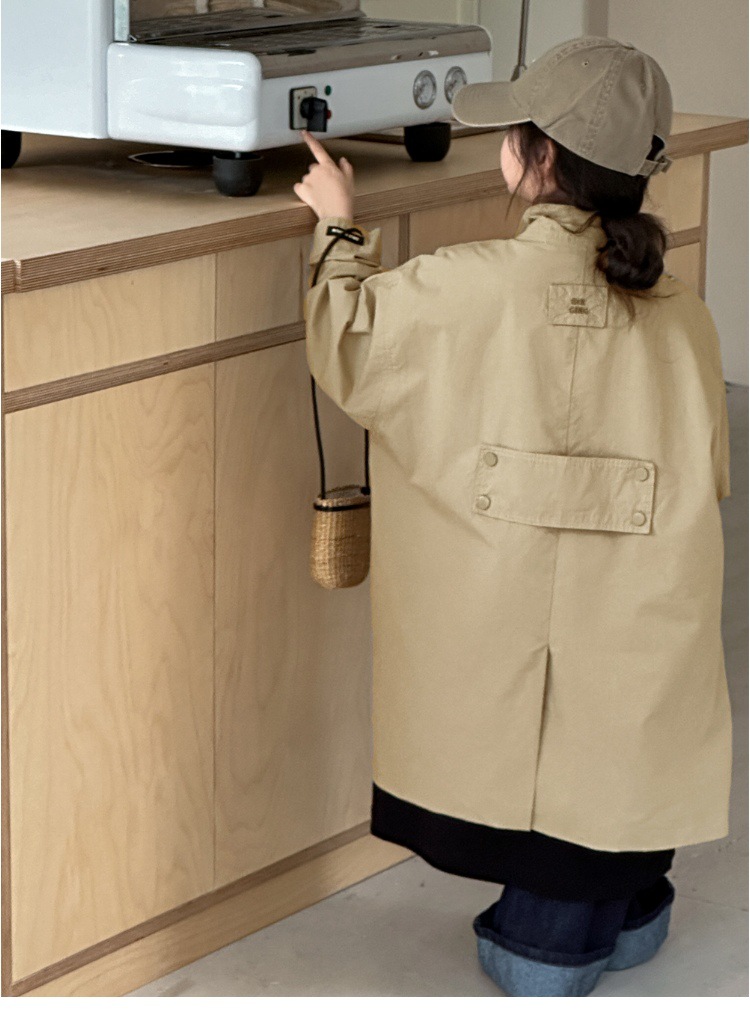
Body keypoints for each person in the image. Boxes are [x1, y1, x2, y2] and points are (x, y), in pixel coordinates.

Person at [292, 36, 732, 997]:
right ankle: (635, 903)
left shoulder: (463, 285)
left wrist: (337, 226)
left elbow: (348, 342)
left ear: (533, 158)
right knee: (618, 724)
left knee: (530, 962)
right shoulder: (683, 314)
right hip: (638, 614)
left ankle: (558, 936)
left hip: (505, 593)